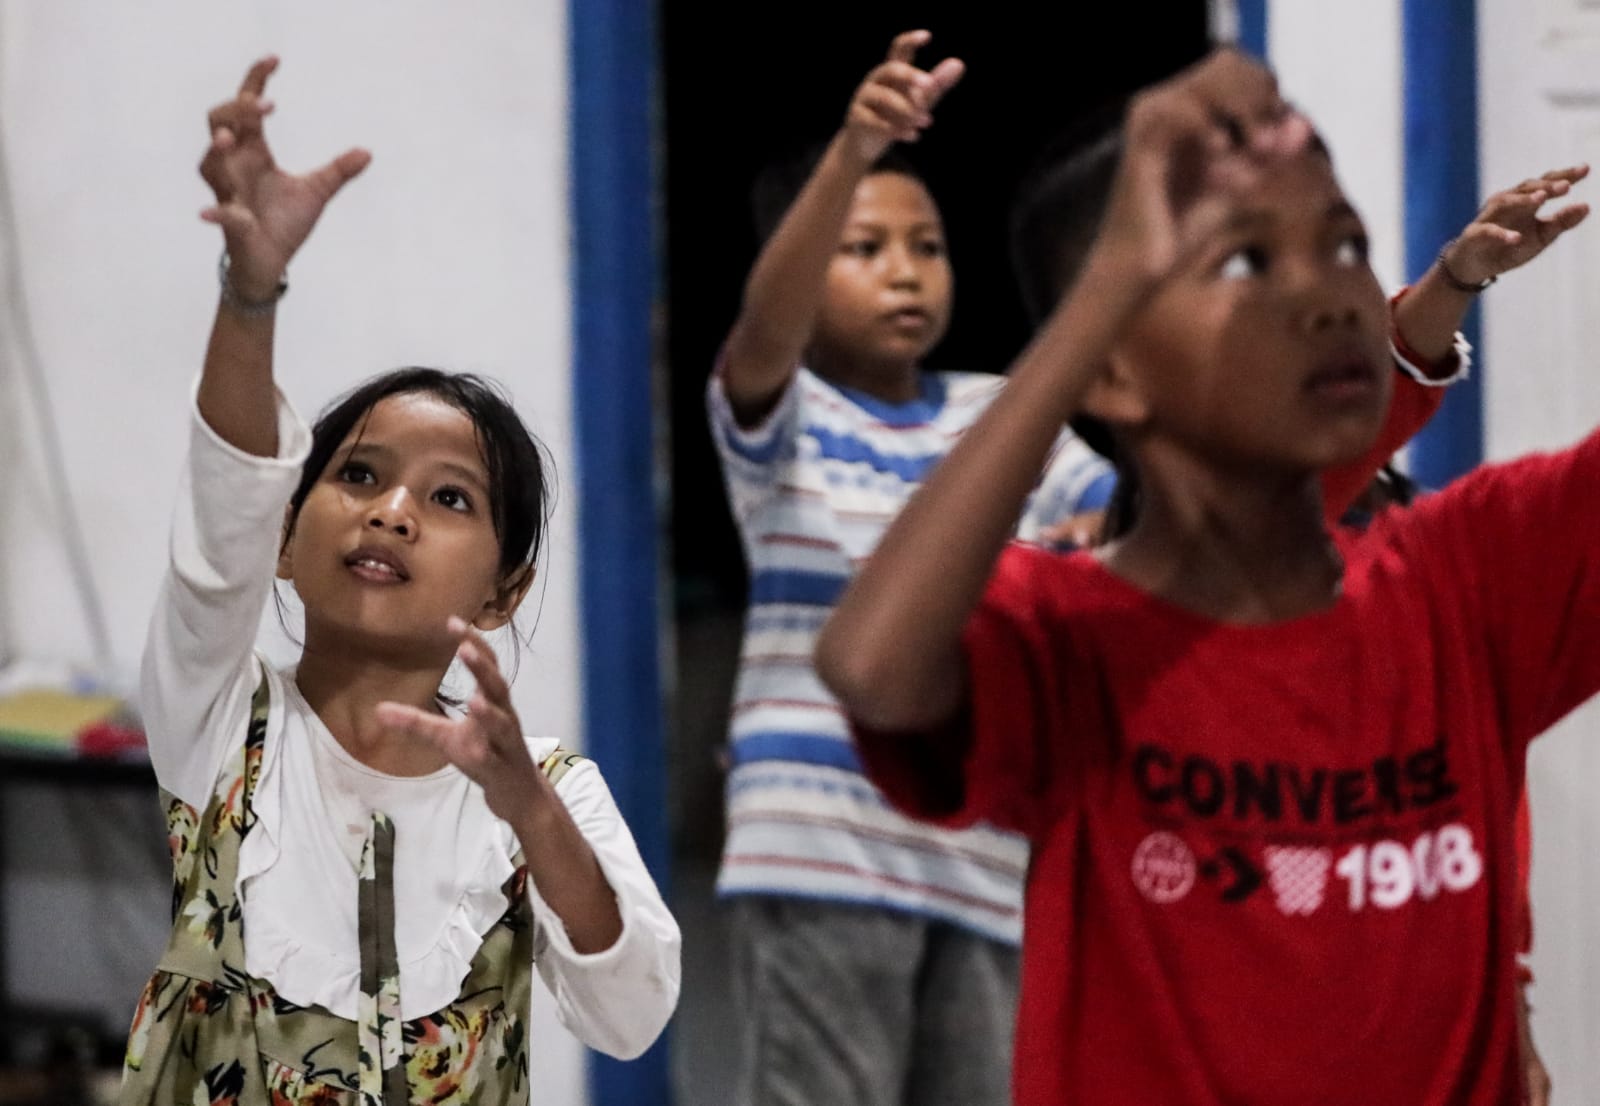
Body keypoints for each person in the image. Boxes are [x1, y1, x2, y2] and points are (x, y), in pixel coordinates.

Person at [816, 47, 1591, 1105]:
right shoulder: (1067, 640)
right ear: (1112, 360)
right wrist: (1103, 296)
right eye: (1242, 262)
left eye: (1343, 242)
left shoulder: (1470, 579)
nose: (1324, 292)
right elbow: (870, 662)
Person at [120, 57, 679, 1105]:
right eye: (359, 474)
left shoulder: (545, 789)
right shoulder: (221, 723)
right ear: (284, 535)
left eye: (450, 497)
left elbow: (632, 1010)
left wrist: (525, 806)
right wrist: (251, 293)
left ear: (505, 593)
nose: (390, 511)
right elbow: (218, 519)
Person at [708, 30, 1115, 1105]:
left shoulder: (998, 419)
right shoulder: (784, 423)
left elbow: (1124, 528)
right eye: (863, 246)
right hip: (820, 854)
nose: (904, 270)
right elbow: (761, 332)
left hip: (979, 860)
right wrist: (852, 152)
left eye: (925, 246)